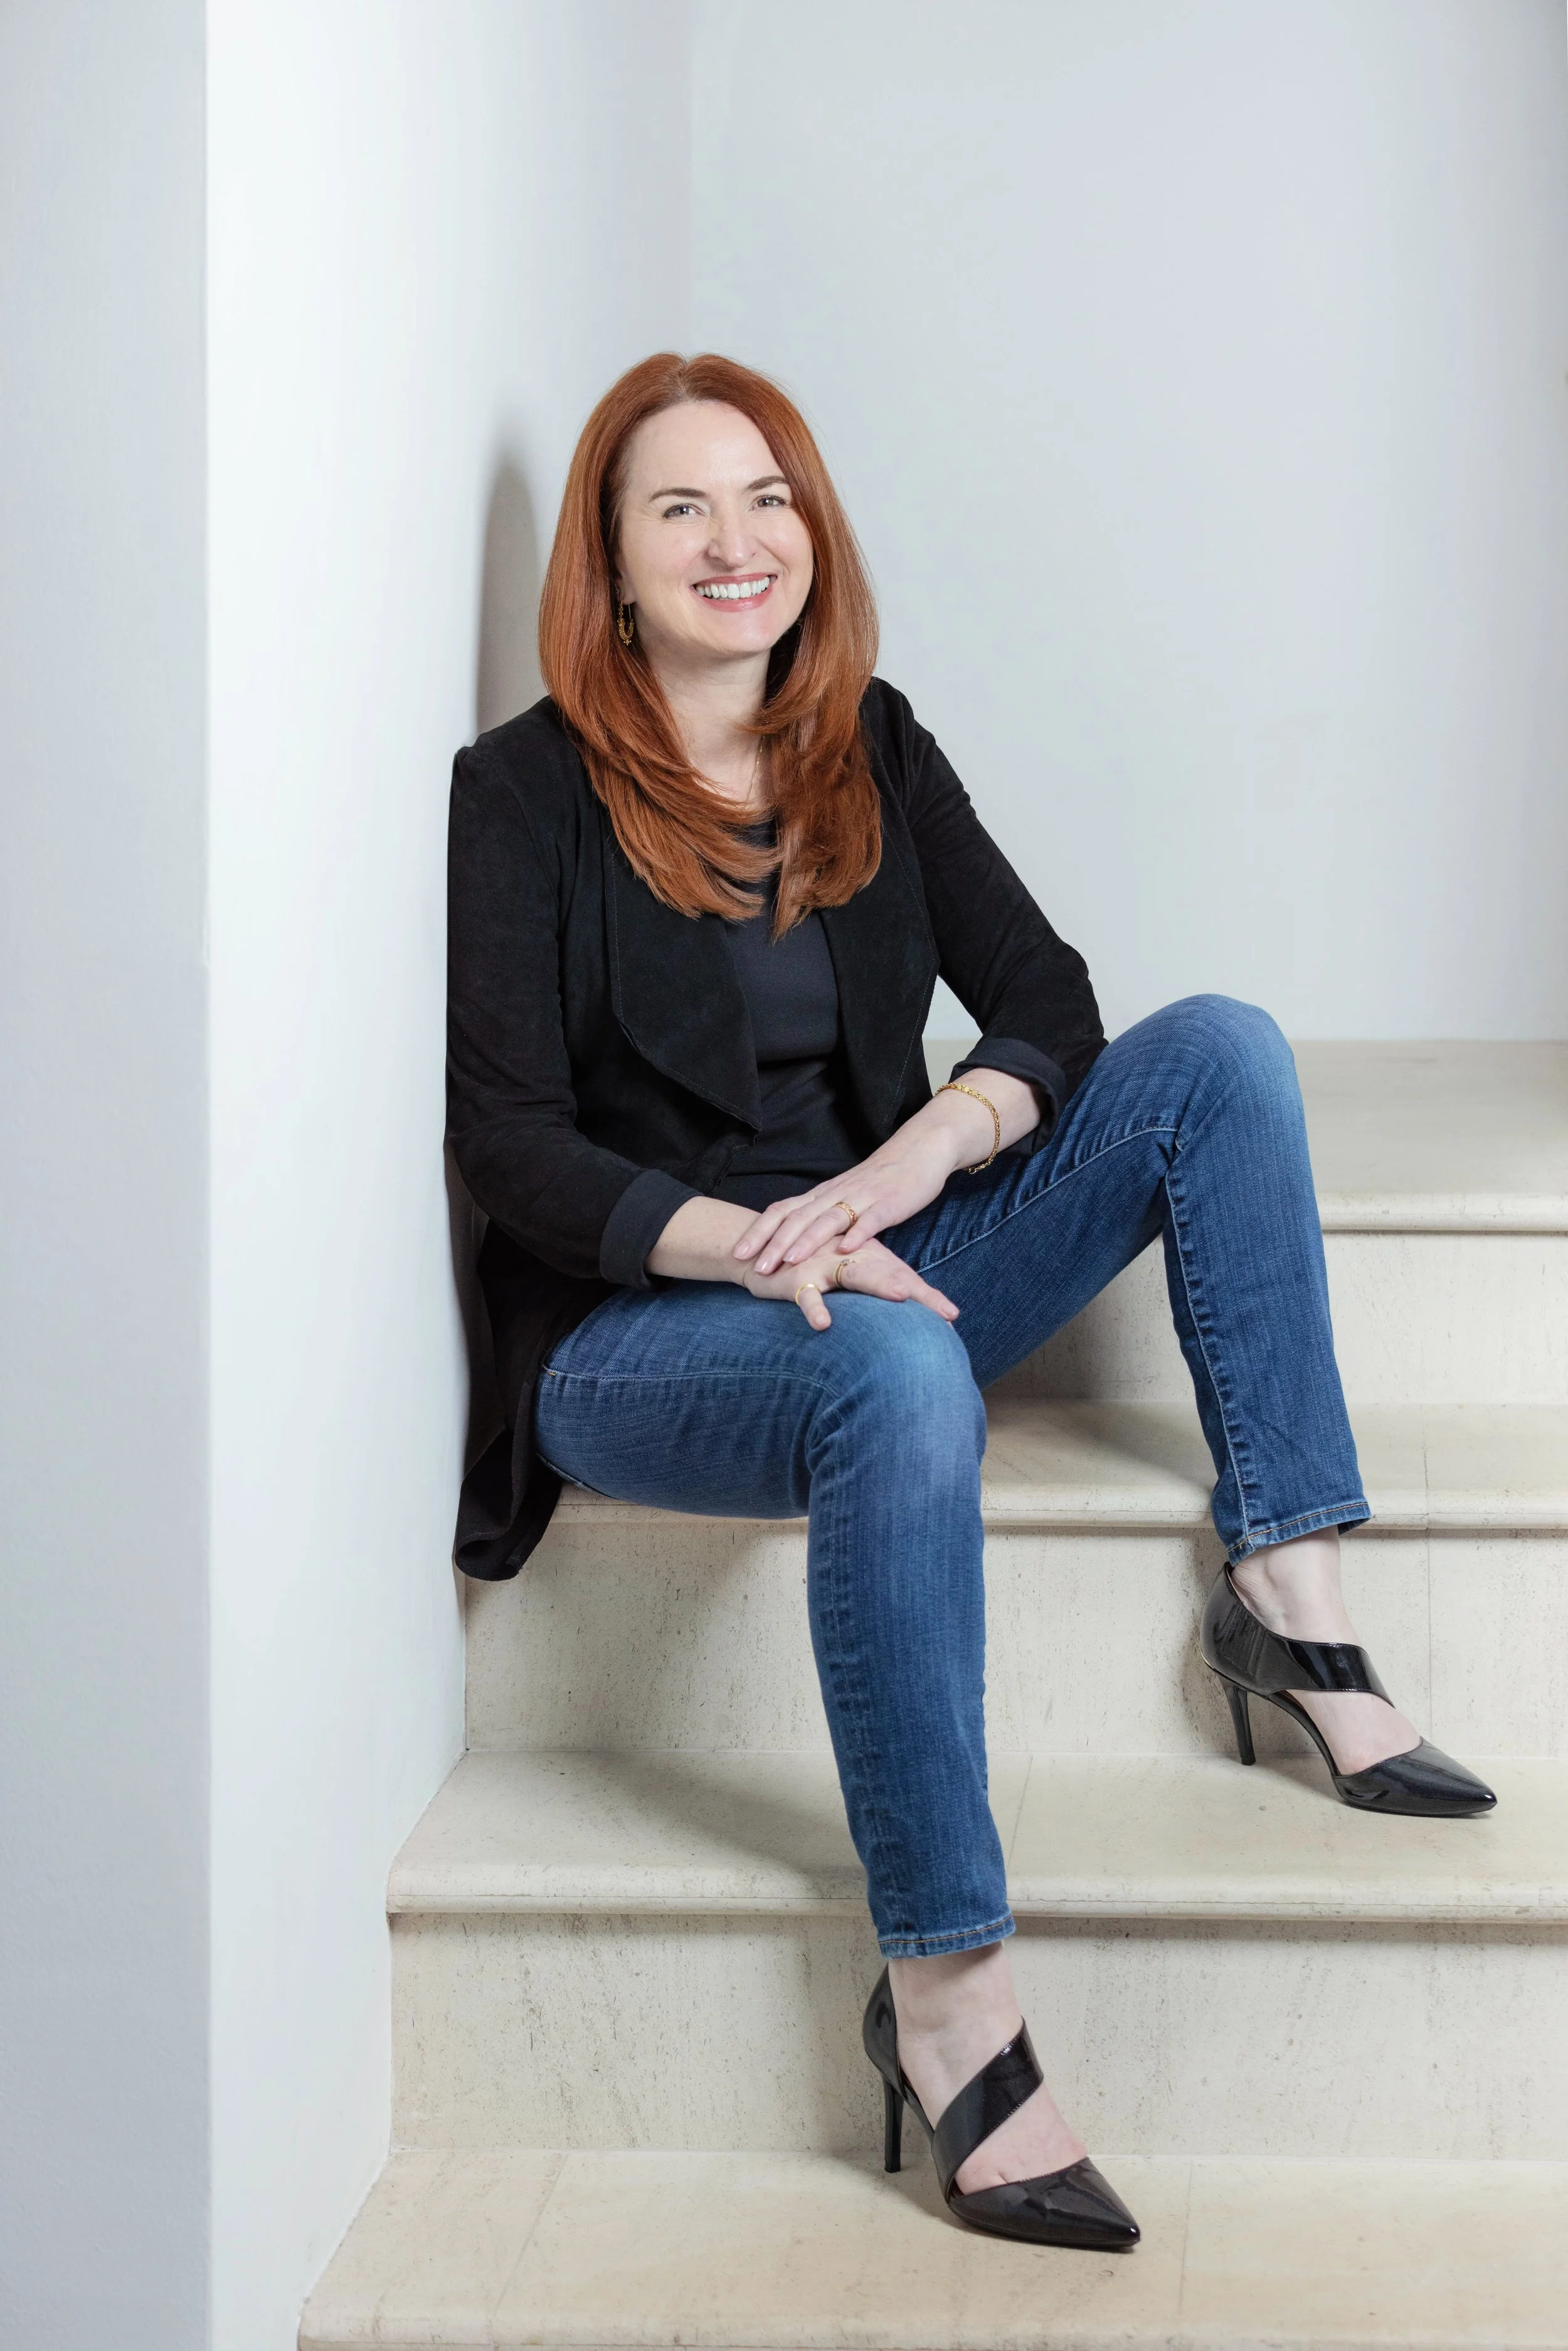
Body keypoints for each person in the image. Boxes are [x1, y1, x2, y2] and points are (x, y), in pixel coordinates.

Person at [445, 351, 1495, 2251]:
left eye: (767, 497)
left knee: (1219, 1051)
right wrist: (764, 1244)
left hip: (884, 1243)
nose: (736, 541)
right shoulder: (518, 796)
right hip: (643, 1324)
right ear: (607, 562)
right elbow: (513, 1146)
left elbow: (1047, 999)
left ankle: (1289, 1590)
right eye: (680, 507)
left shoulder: (869, 741)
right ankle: (946, 1994)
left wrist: (908, 1168)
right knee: (901, 1381)